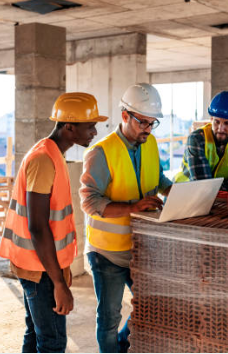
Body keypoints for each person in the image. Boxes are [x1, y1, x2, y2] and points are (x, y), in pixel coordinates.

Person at [0, 92, 108, 353]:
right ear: (69, 126)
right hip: (40, 270)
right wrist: (58, 283)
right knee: (52, 342)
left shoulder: (52, 153)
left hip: (39, 264)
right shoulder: (44, 160)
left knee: (37, 334)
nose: (94, 131)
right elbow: (37, 227)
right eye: (89, 125)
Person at [80, 83, 172, 353]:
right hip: (107, 252)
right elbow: (89, 201)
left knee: (151, 305)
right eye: (142, 121)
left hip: (142, 248)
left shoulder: (151, 143)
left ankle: (121, 346)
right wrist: (133, 207)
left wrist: (178, 193)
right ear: (125, 116)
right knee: (109, 318)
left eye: (152, 123)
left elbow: (159, 179)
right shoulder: (101, 153)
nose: (147, 128)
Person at [174, 90, 228, 190]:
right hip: (183, 194)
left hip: (217, 198)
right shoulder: (197, 139)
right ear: (211, 119)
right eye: (217, 122)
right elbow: (203, 185)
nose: (220, 128)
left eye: (227, 123)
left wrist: (216, 186)